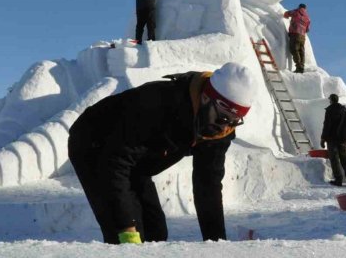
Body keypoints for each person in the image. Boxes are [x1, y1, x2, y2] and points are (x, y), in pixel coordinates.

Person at [68, 62, 256, 244]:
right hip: (95, 144)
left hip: (137, 160)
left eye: (234, 121)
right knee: (127, 236)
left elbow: (208, 185)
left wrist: (216, 243)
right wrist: (125, 229)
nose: (225, 126)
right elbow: (114, 163)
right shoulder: (158, 104)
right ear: (206, 97)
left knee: (155, 233)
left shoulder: (220, 131)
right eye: (223, 117)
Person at [320, 94, 346, 187]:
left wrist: (323, 138)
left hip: (332, 140)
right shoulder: (344, 110)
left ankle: (338, 180)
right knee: (344, 159)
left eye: (329, 100)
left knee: (334, 160)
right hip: (342, 140)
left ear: (331, 100)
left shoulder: (329, 110)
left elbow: (326, 125)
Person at [283, 3, 311, 73]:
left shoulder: (296, 11)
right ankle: (302, 66)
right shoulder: (307, 17)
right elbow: (308, 29)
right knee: (301, 51)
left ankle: (299, 67)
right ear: (305, 9)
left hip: (295, 33)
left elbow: (286, 14)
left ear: (299, 7)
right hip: (302, 36)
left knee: (294, 49)